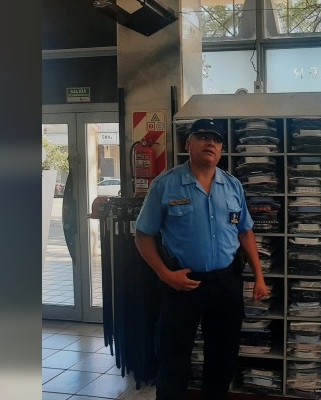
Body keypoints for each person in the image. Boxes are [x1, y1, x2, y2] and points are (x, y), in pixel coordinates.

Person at [134, 118, 267, 400]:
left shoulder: (232, 186)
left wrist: (259, 277)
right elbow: (143, 235)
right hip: (182, 283)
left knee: (223, 358)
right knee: (173, 358)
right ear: (189, 143)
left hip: (225, 284)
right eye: (203, 136)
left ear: (221, 149)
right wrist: (165, 275)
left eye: (216, 140)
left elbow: (245, 232)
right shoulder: (166, 185)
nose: (211, 143)